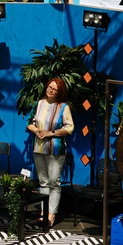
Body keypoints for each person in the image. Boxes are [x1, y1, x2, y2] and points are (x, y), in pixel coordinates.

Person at [26, 77, 74, 228]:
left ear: (60, 92)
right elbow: (30, 123)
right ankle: (42, 214)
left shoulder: (63, 107)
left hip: (55, 149)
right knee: (43, 182)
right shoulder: (39, 103)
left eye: (54, 89)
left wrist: (51, 133)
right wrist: (38, 131)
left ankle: (51, 216)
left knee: (54, 182)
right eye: (49, 87)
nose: (50, 90)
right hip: (39, 148)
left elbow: (69, 128)